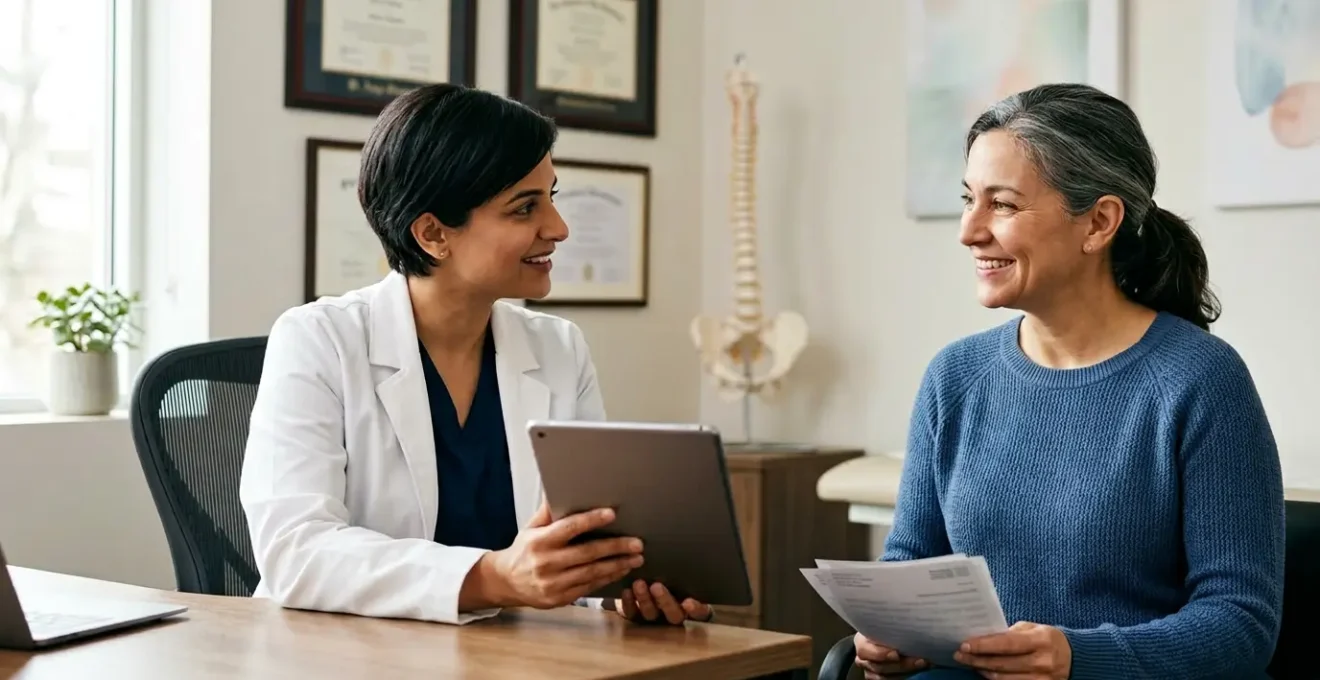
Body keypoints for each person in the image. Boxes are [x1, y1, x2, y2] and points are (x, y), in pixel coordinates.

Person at [854, 83, 1285, 679]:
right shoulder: (954, 377)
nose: (969, 230)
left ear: (1099, 222)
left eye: (1002, 205)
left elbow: (1242, 624)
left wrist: (1079, 658)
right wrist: (888, 637)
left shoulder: (1201, 380)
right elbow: (912, 568)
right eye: (968, 199)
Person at [239, 84, 711, 627]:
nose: (558, 228)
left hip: (514, 657)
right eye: (525, 207)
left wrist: (617, 590)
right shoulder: (318, 340)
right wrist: (493, 578)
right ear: (434, 233)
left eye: (551, 196)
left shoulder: (559, 348)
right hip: (348, 657)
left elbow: (572, 542)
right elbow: (295, 552)